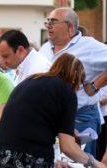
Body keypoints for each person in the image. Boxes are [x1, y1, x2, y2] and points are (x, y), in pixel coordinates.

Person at [0, 53, 106, 168]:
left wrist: (54, 160)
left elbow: (32, 124)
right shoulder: (66, 91)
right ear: (75, 77)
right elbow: (68, 147)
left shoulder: (30, 80)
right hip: (27, 158)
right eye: (80, 82)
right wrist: (94, 163)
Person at [39, 7, 107, 157]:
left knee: (80, 163)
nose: (49, 25)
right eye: (48, 22)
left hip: (80, 118)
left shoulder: (89, 46)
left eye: (54, 22)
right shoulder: (45, 48)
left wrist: (96, 84)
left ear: (70, 27)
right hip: (50, 118)